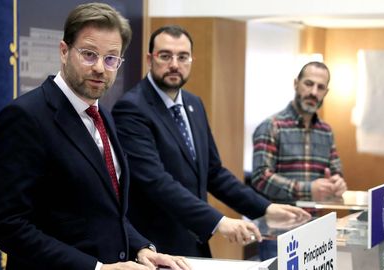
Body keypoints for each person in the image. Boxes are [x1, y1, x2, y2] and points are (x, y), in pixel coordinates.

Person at [0, 4, 189, 270]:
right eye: (89, 54)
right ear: (64, 51)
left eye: (111, 58)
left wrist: (140, 247)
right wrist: (97, 268)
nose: (100, 68)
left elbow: (105, 212)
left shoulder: (102, 115)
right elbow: (7, 226)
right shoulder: (25, 117)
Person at [111, 25, 310, 258]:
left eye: (182, 57)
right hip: (155, 246)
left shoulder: (193, 104)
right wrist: (218, 221)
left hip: (195, 241)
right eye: (165, 56)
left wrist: (265, 208)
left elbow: (214, 173)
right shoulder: (131, 109)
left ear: (191, 60)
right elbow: (157, 182)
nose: (174, 64)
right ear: (149, 59)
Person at [251, 61, 347, 259]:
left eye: (320, 87)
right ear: (296, 84)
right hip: (277, 232)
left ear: (325, 93)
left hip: (315, 229)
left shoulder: (326, 131)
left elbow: (336, 171)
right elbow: (261, 178)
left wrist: (337, 183)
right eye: (308, 84)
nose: (313, 92)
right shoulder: (271, 126)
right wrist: (307, 189)